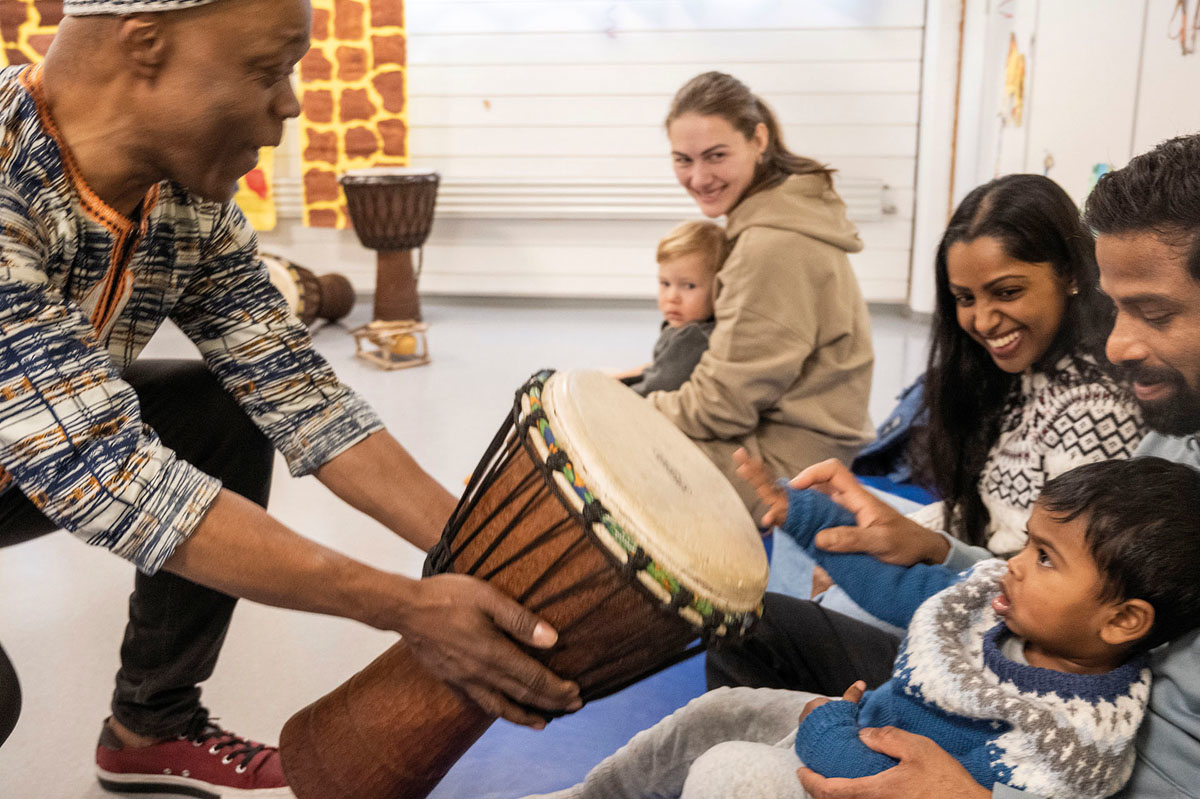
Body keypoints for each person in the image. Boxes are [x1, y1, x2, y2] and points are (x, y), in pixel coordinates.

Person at [0, 2, 580, 796]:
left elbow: (300, 396)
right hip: (44, 460)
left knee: (217, 406)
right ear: (146, 45)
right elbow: (109, 476)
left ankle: (151, 724)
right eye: (267, 70)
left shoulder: (183, 202)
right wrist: (409, 607)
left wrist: (491, 557)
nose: (291, 102)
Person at [714, 135, 1200, 799]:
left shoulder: (1113, 405)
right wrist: (933, 544)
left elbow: (1066, 587)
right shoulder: (1174, 437)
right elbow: (1045, 571)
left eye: (1154, 311)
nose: (1117, 343)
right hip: (1017, 659)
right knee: (766, 612)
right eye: (964, 297)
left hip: (1041, 733)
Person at [523, 457, 1200, 799]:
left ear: (1123, 620)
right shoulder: (1005, 606)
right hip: (855, 724)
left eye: (1044, 557)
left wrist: (830, 724)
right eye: (1027, 544)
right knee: (722, 711)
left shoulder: (1072, 743)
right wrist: (800, 516)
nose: (1014, 567)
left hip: (857, 765)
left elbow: (866, 769)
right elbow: (901, 584)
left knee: (728, 772)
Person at [768, 174, 1145, 625]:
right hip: (981, 557)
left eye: (1007, 292)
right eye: (965, 298)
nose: (983, 321)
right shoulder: (1026, 369)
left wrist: (874, 567)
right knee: (808, 509)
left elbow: (1054, 584)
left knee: (813, 605)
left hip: (1008, 607)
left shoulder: (1094, 409)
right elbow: (978, 511)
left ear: (1069, 274)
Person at [644, 71, 875, 516]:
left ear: (759, 139)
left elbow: (722, 408)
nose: (698, 177)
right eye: (683, 160)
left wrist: (629, 408)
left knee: (596, 449)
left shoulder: (771, 245)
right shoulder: (779, 210)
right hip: (799, 434)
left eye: (715, 156)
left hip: (790, 464)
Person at [619, 220, 728, 396]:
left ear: (719, 289)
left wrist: (611, 392)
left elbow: (655, 387)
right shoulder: (685, 327)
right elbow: (656, 369)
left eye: (689, 286)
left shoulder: (694, 338)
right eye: (665, 283)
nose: (672, 297)